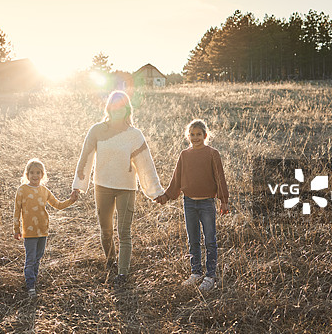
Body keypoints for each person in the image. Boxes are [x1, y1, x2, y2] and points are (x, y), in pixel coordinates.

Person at [71, 90, 166, 285]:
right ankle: (111, 260)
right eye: (113, 105)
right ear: (108, 108)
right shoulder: (97, 130)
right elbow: (85, 158)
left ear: (127, 109)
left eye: (121, 105)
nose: (117, 109)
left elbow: (145, 164)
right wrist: (78, 186)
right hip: (102, 186)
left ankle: (123, 273)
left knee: (124, 232)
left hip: (126, 188)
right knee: (106, 231)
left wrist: (155, 191)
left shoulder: (134, 135)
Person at [157, 119, 229, 292]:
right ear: (187, 136)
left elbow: (220, 178)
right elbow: (177, 178)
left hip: (206, 203)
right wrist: (166, 196)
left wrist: (224, 200)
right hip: (189, 202)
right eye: (192, 135)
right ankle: (196, 272)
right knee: (193, 239)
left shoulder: (212, 153)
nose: (195, 138)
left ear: (205, 135)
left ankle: (210, 276)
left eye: (199, 134)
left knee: (210, 240)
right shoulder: (184, 155)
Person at [13, 158, 78, 297]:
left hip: (43, 230)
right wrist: (16, 229)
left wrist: (71, 200)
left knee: (38, 258)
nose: (35, 176)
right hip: (29, 232)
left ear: (42, 175)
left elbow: (58, 205)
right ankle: (30, 286)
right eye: (32, 173)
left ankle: (34, 281)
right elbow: (17, 211)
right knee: (30, 259)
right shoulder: (22, 190)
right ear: (27, 174)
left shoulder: (44, 190)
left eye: (38, 172)